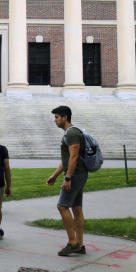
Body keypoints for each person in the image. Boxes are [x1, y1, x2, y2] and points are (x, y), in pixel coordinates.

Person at [46, 105, 88, 257]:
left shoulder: (72, 134)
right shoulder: (70, 133)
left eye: (57, 117)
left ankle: (73, 243)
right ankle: (80, 245)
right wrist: (55, 175)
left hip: (75, 175)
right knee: (76, 208)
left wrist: (67, 178)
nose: (55, 120)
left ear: (65, 117)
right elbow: (66, 159)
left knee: (62, 206)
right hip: (78, 174)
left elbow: (74, 157)